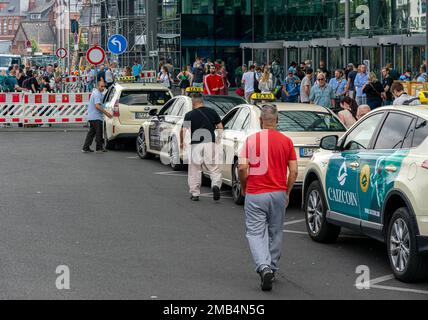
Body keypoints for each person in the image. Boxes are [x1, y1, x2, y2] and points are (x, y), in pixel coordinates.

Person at [238, 104, 298, 291]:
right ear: (277, 120)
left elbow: (242, 167)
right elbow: (294, 171)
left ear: (260, 120)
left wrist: (244, 186)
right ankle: (271, 266)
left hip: (256, 193)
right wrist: (287, 192)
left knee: (255, 232)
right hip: (278, 193)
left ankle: (263, 267)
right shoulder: (286, 141)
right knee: (276, 231)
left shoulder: (250, 140)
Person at [180, 93, 223, 201]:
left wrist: (182, 142)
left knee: (195, 169)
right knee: (214, 168)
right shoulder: (212, 112)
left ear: (193, 102)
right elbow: (220, 126)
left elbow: (183, 130)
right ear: (202, 101)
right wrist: (218, 139)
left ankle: (195, 194)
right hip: (210, 143)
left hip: (196, 144)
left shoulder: (189, 114)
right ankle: (216, 185)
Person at [82, 80, 113, 153]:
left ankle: (85, 147)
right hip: (96, 116)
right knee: (99, 133)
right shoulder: (97, 94)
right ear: (97, 86)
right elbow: (97, 106)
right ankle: (99, 148)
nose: (103, 88)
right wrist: (106, 113)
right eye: (101, 86)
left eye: (104, 86)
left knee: (91, 133)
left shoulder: (97, 92)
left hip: (92, 116)